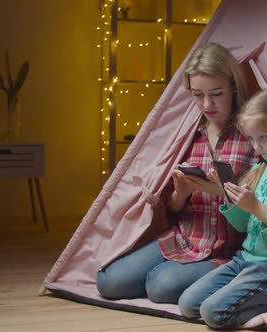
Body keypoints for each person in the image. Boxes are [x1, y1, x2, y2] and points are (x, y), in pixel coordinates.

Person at [96, 43, 258, 304]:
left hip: (226, 250)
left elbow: (263, 208)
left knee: (160, 286)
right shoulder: (188, 133)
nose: (207, 104)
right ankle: (177, 275)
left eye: (216, 93)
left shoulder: (252, 135)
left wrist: (221, 192)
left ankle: (209, 277)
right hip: (182, 237)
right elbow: (172, 211)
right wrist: (181, 194)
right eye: (197, 95)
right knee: (108, 282)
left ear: (233, 88)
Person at [178, 88, 267, 329]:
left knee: (213, 313)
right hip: (245, 260)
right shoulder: (260, 169)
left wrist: (256, 207)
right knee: (188, 304)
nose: (256, 146)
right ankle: (256, 296)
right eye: (251, 139)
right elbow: (242, 224)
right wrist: (230, 197)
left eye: (263, 137)